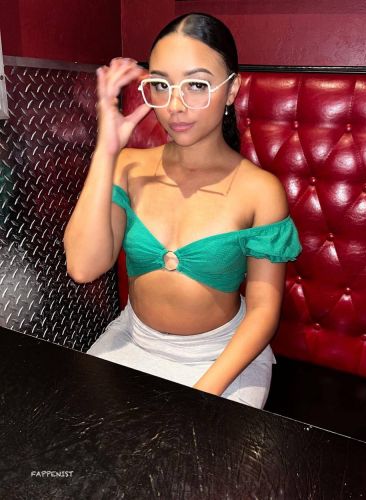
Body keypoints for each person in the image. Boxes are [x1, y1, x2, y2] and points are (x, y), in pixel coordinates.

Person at [63, 12, 302, 409]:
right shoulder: (128, 165)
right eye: (161, 85)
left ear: (231, 90)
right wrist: (106, 151)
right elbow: (83, 267)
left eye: (197, 85)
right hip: (133, 341)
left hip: (224, 359)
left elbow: (263, 312)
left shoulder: (260, 190)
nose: (175, 105)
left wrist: (202, 395)